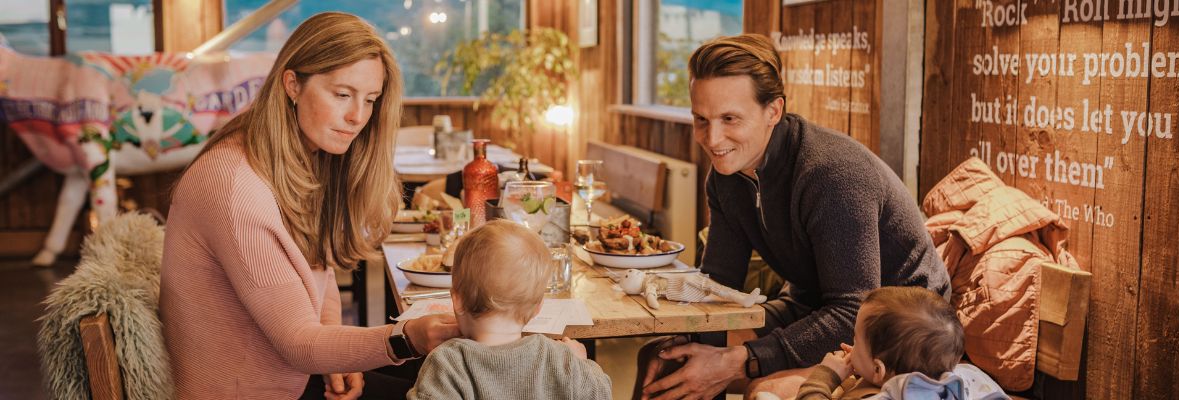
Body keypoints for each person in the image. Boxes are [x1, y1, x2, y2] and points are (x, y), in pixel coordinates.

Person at [160, 12, 460, 399]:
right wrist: (408, 338)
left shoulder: (287, 156)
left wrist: (337, 355)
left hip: (291, 377)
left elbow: (317, 275)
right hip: (251, 390)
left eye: (369, 100)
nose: (357, 117)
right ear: (292, 84)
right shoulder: (235, 188)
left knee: (449, 373)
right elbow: (300, 344)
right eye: (341, 94)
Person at [637, 34, 951, 400]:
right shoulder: (725, 179)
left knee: (764, 390)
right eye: (701, 119)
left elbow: (852, 311)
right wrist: (688, 342)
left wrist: (737, 362)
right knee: (663, 359)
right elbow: (718, 285)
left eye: (729, 119)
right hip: (810, 307)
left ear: (774, 111)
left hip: (897, 338)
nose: (712, 137)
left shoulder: (832, 175)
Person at [406, 220, 612, 399]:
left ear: (457, 300)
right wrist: (582, 364)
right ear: (538, 308)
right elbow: (601, 393)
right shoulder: (561, 359)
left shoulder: (446, 364)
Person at [775, 286, 1007, 400]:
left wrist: (825, 376)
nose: (851, 345)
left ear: (878, 369)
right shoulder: (961, 378)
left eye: (856, 340)